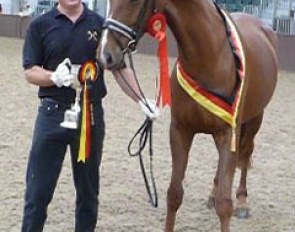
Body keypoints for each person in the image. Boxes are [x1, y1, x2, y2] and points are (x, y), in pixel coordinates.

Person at [21, 0, 159, 231]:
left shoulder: (99, 24)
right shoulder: (40, 25)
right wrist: (54, 77)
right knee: (37, 193)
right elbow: (30, 71)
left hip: (90, 118)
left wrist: (142, 100)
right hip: (51, 115)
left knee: (88, 194)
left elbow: (119, 68)